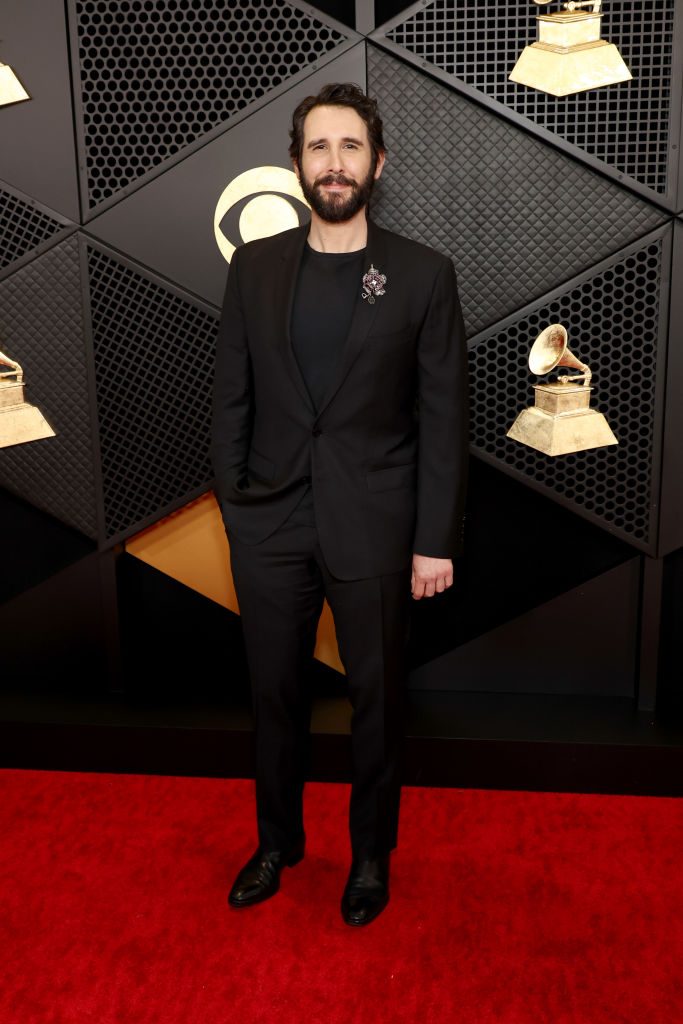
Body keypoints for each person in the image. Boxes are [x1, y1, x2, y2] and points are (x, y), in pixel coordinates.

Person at [211, 82, 468, 926]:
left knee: (377, 699)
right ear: (295, 165)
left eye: (349, 147)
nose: (333, 163)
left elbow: (442, 420)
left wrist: (433, 539)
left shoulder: (422, 275)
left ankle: (368, 856)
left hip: (376, 523)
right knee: (273, 692)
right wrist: (239, 509)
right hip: (270, 524)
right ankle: (277, 842)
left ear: (376, 163)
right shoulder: (254, 267)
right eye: (318, 147)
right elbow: (231, 401)